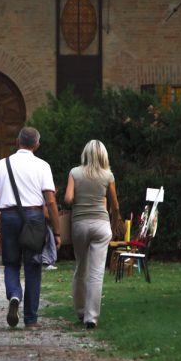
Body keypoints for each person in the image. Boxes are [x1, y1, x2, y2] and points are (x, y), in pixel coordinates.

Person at [0, 127, 61, 329]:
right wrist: (57, 231)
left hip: (8, 217)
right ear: (37, 145)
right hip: (35, 218)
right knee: (33, 267)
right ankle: (31, 319)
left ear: (16, 141)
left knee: (11, 263)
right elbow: (51, 201)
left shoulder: (2, 165)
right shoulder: (42, 165)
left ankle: (14, 295)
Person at [64, 140, 121, 329]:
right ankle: (91, 317)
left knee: (81, 267)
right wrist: (115, 220)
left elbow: (68, 198)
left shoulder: (74, 173)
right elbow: (115, 204)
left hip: (80, 224)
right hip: (102, 225)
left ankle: (80, 310)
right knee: (97, 272)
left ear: (85, 154)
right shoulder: (108, 175)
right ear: (103, 155)